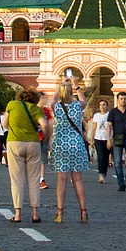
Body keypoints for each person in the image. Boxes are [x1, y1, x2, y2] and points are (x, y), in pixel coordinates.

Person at [49, 81, 93, 222]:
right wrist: (76, 85)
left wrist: (59, 88)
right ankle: (83, 212)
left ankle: (60, 212)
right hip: (76, 145)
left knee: (61, 180)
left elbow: (52, 100)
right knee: (77, 180)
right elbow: (84, 100)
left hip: (61, 146)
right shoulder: (76, 106)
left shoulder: (56, 107)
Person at [4, 86, 47, 221]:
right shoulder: (36, 109)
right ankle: (35, 214)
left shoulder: (12, 105)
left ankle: (17, 214)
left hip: (15, 142)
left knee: (17, 180)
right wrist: (46, 137)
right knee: (34, 179)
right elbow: (45, 125)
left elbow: (5, 123)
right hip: (33, 143)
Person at [90, 97, 113, 183]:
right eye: (100, 105)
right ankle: (101, 175)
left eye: (104, 105)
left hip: (108, 139)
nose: (102, 106)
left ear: (107, 106)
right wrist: (91, 139)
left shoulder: (110, 115)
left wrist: (111, 139)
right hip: (98, 138)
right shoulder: (96, 115)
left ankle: (104, 174)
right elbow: (94, 127)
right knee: (101, 157)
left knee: (106, 157)